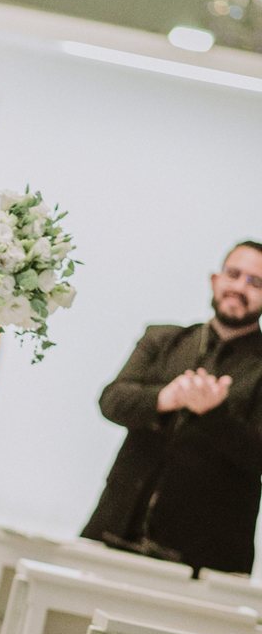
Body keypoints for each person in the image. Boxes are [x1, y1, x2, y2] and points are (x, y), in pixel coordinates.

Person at [82, 241, 262, 574]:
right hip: (117, 528)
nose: (239, 287)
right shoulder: (162, 339)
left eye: (255, 282)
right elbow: (112, 400)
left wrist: (214, 414)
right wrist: (166, 399)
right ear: (214, 280)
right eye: (233, 274)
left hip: (209, 557)